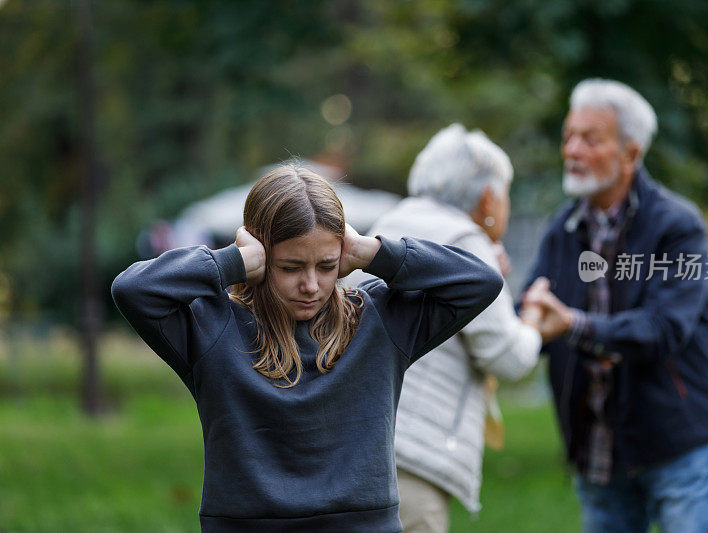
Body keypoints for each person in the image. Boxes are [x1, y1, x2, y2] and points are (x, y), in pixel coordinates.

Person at [111, 164, 503, 532]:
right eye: (291, 267)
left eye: (327, 265)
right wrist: (233, 261)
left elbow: (480, 281)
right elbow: (133, 289)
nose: (311, 285)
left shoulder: (376, 320)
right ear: (261, 258)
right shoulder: (212, 328)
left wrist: (373, 252)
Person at [520, 79, 708, 533]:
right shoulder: (562, 230)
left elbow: (663, 327)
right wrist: (518, 309)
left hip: (680, 445)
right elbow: (531, 309)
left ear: (631, 154)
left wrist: (572, 324)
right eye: (568, 136)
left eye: (590, 139)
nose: (572, 149)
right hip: (597, 447)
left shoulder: (680, 227)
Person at [347, 124, 541, 531]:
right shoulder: (467, 241)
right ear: (489, 197)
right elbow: (507, 357)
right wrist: (536, 323)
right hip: (416, 459)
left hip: (358, 440)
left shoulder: (386, 223)